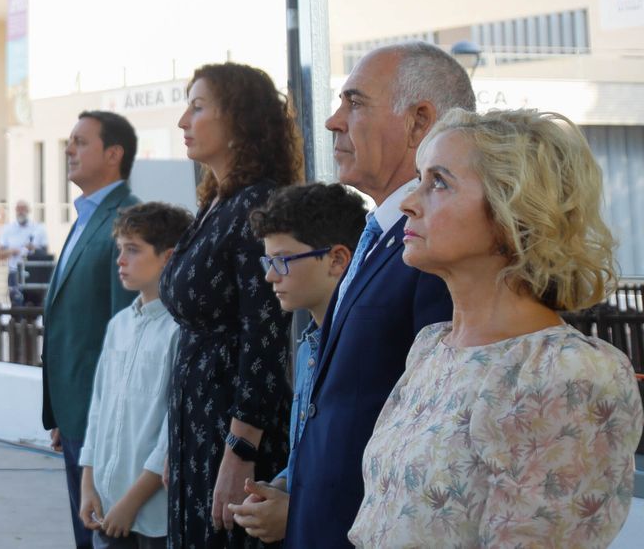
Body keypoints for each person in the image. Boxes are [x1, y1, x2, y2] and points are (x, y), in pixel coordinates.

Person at [350, 109, 643, 546]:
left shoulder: (569, 374)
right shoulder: (432, 347)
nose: (409, 202)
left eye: (440, 183)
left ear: (513, 214)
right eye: (418, 179)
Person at [280, 43, 465, 548]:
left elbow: (436, 431)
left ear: (418, 121)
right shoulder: (381, 233)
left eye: (355, 103)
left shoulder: (441, 251)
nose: (333, 121)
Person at [161, 63, 298, 549]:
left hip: (232, 426)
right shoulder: (219, 202)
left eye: (197, 108)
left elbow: (265, 338)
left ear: (240, 119)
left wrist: (240, 449)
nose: (183, 121)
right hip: (199, 420)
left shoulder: (256, 205)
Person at [228, 183, 367, 544]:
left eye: (283, 261)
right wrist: (277, 488)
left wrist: (296, 511)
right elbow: (306, 453)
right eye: (267, 261)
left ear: (337, 259)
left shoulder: (365, 351)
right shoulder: (307, 346)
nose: (270, 276)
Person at [43, 110, 140, 549]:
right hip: (77, 414)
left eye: (81, 142)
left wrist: (105, 424)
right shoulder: (85, 217)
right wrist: (60, 410)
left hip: (107, 423)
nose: (69, 150)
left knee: (106, 540)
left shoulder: (128, 220)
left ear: (114, 153)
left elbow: (127, 333)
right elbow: (72, 322)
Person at [79, 201, 191, 549]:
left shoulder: (181, 331)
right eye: (119, 250)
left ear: (169, 257)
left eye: (133, 250)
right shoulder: (118, 326)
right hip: (106, 504)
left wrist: (131, 502)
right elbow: (98, 410)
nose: (120, 260)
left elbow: (173, 429)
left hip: (152, 516)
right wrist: (88, 483)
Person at [0, 200, 48, 306]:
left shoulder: (38, 228)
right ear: (15, 211)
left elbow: (46, 253)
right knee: (17, 306)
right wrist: (12, 251)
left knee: (34, 306)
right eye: (18, 209)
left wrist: (34, 249)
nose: (21, 212)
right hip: (14, 272)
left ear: (28, 211)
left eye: (23, 209)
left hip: (34, 273)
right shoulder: (7, 229)